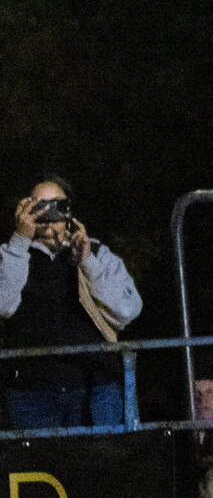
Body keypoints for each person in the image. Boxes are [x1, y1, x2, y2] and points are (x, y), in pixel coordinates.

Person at [0, 176, 142, 429]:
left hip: (96, 386)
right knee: (37, 466)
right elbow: (3, 305)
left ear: (68, 211)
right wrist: (20, 241)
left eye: (56, 206)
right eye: (37, 206)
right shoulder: (9, 254)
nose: (47, 214)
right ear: (23, 210)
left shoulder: (97, 253)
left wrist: (87, 262)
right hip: (30, 391)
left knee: (102, 463)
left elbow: (127, 311)